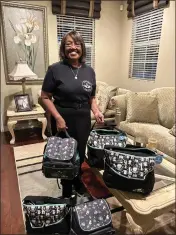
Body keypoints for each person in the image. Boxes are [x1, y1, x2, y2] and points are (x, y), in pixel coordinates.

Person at [41, 30, 104, 198]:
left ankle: (77, 179)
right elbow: (45, 96)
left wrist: (96, 111)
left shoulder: (89, 71)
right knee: (64, 154)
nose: (73, 48)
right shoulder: (55, 69)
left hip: (83, 117)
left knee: (80, 152)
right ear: (63, 48)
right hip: (63, 117)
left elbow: (91, 97)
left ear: (82, 48)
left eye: (76, 44)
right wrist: (58, 118)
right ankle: (66, 187)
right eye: (68, 44)